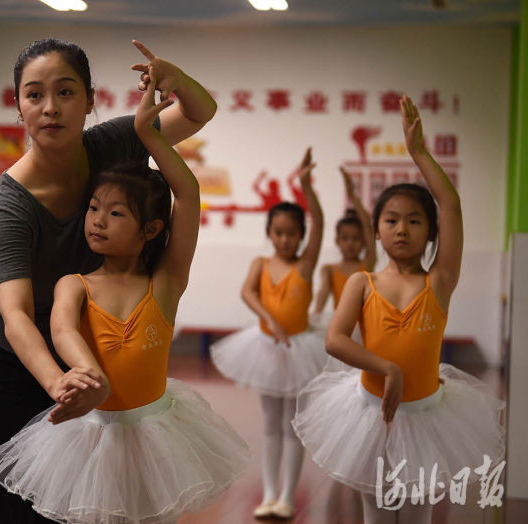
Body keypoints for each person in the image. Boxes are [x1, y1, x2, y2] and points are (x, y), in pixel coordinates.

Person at [0, 37, 218, 523]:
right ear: (18, 107)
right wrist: (60, 382)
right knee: (17, 503)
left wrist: (176, 80)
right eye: (33, 95)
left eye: (65, 92)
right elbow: (17, 314)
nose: (49, 108)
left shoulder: (114, 141)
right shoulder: (9, 204)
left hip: (87, 340)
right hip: (13, 354)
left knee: (86, 501)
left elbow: (199, 111)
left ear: (90, 99)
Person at [292, 96, 504, 524]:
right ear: (376, 229)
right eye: (390, 220)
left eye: (414, 220)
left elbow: (452, 206)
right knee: (376, 513)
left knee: (417, 515)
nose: (401, 229)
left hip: (427, 417)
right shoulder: (361, 283)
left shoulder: (439, 282)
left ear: (430, 233)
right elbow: (334, 340)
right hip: (371, 415)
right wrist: (386, 368)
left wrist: (418, 153)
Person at [209, 148, 325, 519]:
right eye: (278, 233)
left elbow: (320, 223)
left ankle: (288, 496)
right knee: (271, 424)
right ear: (269, 233)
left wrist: (306, 186)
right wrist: (268, 320)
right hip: (265, 348)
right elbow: (248, 292)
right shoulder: (260, 263)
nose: (284, 240)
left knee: (294, 426)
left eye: (292, 234)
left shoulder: (306, 265)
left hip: (298, 349)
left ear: (302, 237)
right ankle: (270, 494)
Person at [313, 167, 376, 314]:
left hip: (365, 327)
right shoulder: (328, 270)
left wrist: (352, 196)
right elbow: (322, 294)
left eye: (356, 238)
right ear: (337, 241)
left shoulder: (367, 264)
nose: (350, 244)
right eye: (345, 238)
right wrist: (315, 314)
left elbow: (367, 225)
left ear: (364, 241)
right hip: (342, 327)